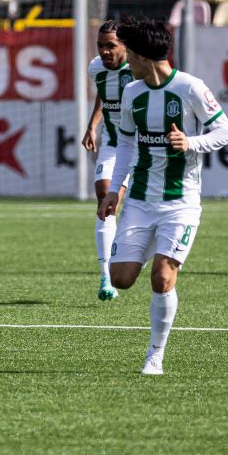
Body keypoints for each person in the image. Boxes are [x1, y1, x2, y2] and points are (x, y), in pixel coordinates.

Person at [98, 16, 228, 376]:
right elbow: (126, 142)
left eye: (131, 56)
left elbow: (225, 131)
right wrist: (115, 190)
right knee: (121, 279)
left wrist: (191, 142)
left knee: (161, 278)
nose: (127, 62)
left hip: (181, 202)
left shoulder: (190, 88)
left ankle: (154, 356)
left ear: (144, 57)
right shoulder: (132, 92)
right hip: (140, 202)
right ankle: (150, 249)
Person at [81, 20, 133, 301]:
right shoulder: (96, 68)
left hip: (145, 147)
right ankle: (105, 276)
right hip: (114, 143)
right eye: (101, 45)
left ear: (125, 46)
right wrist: (92, 125)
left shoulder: (140, 71)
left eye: (111, 45)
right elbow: (104, 93)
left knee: (135, 208)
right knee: (105, 201)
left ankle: (130, 257)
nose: (104, 51)